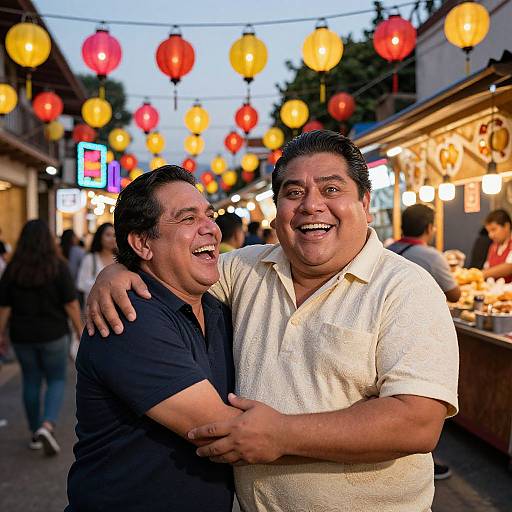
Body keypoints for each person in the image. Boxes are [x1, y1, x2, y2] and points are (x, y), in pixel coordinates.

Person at [86, 131, 459, 512]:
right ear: (277, 207)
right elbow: (173, 269)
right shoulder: (247, 268)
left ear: (364, 202)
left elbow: (418, 422)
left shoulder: (405, 287)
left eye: (331, 190)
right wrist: (117, 271)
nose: (311, 205)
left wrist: (283, 435)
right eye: (294, 193)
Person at [66, 166, 237, 512]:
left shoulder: (218, 306)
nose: (210, 228)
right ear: (143, 243)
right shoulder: (128, 316)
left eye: (209, 214)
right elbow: (222, 432)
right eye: (188, 219)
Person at [387, 204, 461, 480]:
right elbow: (454, 294)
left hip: (392, 331)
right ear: (430, 228)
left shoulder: (389, 249)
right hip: (422, 332)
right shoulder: (430, 255)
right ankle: (422, 463)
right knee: (422, 400)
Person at [0, 220, 83, 455]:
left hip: (22, 335)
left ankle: (35, 432)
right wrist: (79, 330)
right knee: (56, 379)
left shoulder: (13, 268)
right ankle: (48, 425)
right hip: (54, 334)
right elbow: (70, 303)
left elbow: (4, 306)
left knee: (31, 380)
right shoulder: (57, 266)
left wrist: (0, 334)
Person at [387, 204, 461, 303]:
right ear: (429, 228)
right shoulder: (432, 257)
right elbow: (454, 296)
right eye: (434, 226)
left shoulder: (387, 250)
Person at [77, 222, 116, 304]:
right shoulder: (90, 259)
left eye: (114, 235)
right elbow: (81, 284)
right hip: (94, 308)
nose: (112, 239)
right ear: (100, 237)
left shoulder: (119, 260)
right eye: (108, 235)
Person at [482, 209, 512, 282]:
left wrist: (479, 274)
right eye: (488, 231)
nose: (490, 235)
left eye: (493, 230)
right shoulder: (493, 246)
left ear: (506, 226)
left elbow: (509, 267)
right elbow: (487, 268)